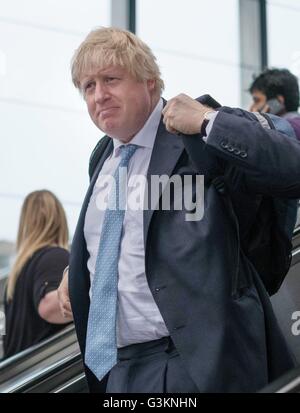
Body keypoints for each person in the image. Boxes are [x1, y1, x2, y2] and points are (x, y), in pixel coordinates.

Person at [58, 27, 300, 393]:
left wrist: (207, 121)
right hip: (117, 371)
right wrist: (84, 268)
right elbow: (130, 237)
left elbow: (291, 168)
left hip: (197, 364)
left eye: (110, 79)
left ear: (150, 83)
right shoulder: (102, 158)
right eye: (88, 86)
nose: (99, 95)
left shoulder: (194, 134)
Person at [3, 190, 72, 359]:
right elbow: (49, 307)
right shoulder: (55, 256)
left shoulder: (17, 273)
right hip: (45, 374)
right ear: (59, 219)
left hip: (16, 374)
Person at [249, 68, 300, 141]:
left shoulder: (288, 129)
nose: (252, 107)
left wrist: (257, 120)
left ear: (278, 101)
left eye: (257, 100)